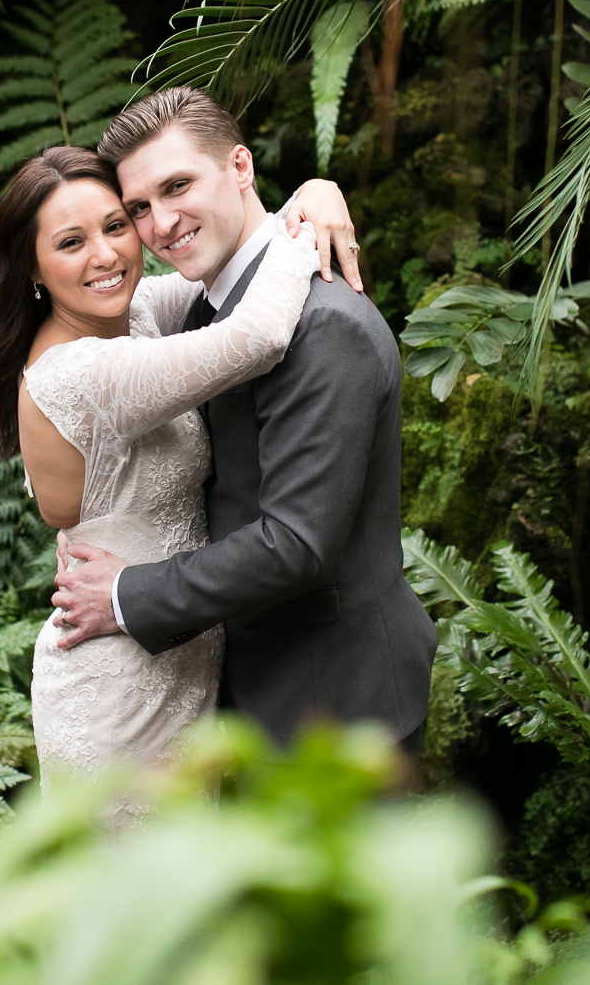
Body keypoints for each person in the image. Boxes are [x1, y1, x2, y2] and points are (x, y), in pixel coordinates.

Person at [50, 87, 437, 756]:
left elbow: (296, 542)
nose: (162, 223)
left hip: (336, 700)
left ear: (240, 167)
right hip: (246, 688)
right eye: (139, 207)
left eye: (177, 186)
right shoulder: (200, 309)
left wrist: (125, 593)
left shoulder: (325, 327)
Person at [0, 143, 362, 808]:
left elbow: (232, 261)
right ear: (32, 268)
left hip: (176, 656)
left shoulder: (135, 314)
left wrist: (316, 193)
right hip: (118, 685)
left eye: (116, 225)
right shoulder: (81, 372)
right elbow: (259, 333)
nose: (106, 256)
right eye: (71, 242)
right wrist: (307, 230)